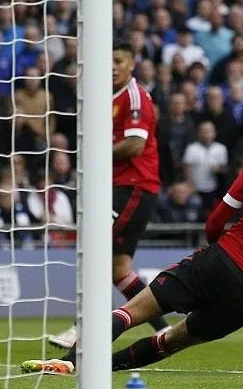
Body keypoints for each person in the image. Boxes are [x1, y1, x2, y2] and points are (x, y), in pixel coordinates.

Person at [21, 111, 243, 375]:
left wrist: (216, 253)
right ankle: (106, 368)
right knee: (172, 341)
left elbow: (216, 220)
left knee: (130, 312)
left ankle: (71, 363)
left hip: (220, 261)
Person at [48, 44, 169, 350]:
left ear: (131, 66)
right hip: (126, 188)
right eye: (108, 60)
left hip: (132, 188)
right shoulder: (105, 97)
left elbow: (135, 146)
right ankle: (165, 330)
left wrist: (96, 153)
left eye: (119, 61)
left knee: (93, 251)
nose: (112, 66)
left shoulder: (134, 96)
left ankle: (82, 329)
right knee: (118, 271)